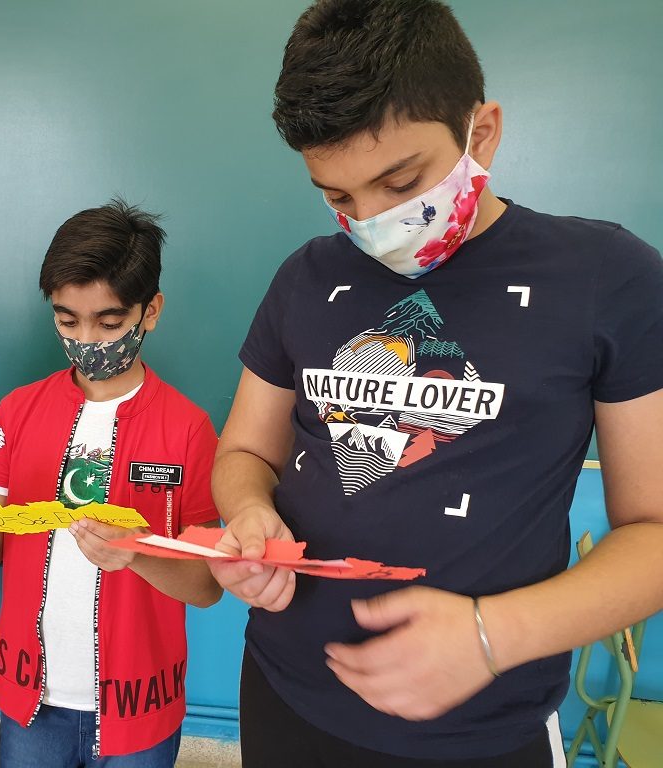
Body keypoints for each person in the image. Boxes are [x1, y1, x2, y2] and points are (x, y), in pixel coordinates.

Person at [208, 2, 663, 766]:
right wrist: (249, 513)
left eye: (401, 181)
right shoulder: (304, 277)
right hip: (286, 690)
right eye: (338, 197)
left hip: (483, 728)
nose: (371, 221)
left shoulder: (607, 277)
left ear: (481, 132)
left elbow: (654, 532)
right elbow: (245, 451)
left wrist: (490, 636)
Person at [0, 199, 221, 766]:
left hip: (140, 699)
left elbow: (206, 587)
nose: (87, 339)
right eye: (67, 321)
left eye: (110, 322)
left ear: (150, 311)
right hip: (30, 697)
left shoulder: (188, 429)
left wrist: (136, 554)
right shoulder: (19, 410)